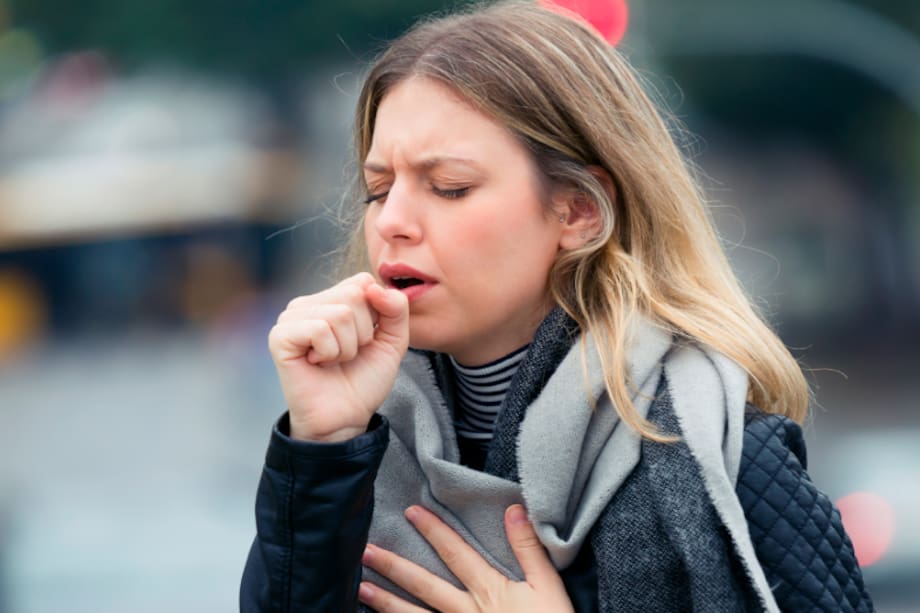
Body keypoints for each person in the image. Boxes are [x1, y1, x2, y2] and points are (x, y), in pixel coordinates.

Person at [240, 1, 873, 611]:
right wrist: (321, 448)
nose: (391, 222)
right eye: (379, 189)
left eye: (449, 187)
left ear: (578, 211)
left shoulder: (729, 459)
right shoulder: (350, 446)